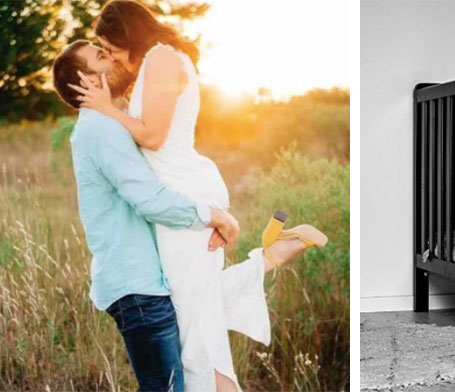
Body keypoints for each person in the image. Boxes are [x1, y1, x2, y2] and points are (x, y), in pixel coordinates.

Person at [52, 38, 326, 392]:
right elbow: (149, 199)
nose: (115, 59)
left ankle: (268, 258)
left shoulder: (116, 122)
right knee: (169, 385)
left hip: (150, 277)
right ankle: (267, 259)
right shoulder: (101, 130)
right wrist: (210, 214)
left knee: (199, 324)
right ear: (86, 82)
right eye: (101, 57)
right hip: (137, 287)